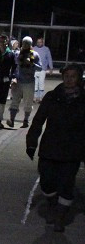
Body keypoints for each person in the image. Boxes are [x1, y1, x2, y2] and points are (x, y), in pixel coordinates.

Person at [25, 64, 85, 232]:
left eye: (73, 76)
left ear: (79, 79)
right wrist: (31, 143)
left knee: (66, 183)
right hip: (50, 147)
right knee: (46, 181)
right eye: (66, 75)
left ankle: (60, 217)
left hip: (72, 150)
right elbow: (38, 120)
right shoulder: (52, 97)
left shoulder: (82, 100)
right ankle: (52, 202)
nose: (69, 79)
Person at [6, 36, 43, 128]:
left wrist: (32, 64)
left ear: (30, 45)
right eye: (24, 43)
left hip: (29, 82)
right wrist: (13, 78)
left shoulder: (34, 54)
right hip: (18, 81)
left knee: (28, 102)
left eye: (27, 43)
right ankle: (12, 120)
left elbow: (40, 68)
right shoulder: (18, 53)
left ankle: (25, 120)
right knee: (14, 100)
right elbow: (14, 67)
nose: (25, 45)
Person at [33, 36, 54, 100]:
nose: (39, 43)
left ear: (42, 42)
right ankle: (35, 97)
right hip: (35, 69)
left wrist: (51, 67)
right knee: (35, 83)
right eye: (38, 42)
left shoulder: (46, 49)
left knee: (41, 83)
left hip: (43, 69)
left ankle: (41, 97)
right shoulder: (33, 48)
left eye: (40, 42)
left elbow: (49, 58)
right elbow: (31, 59)